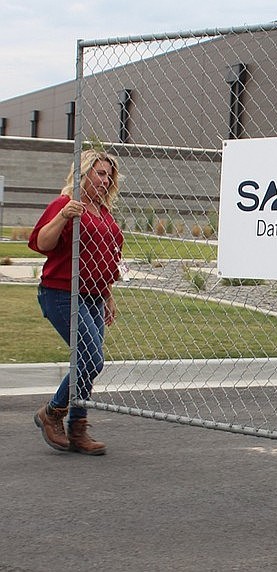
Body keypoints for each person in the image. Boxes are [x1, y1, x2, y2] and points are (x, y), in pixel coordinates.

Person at [30, 149, 124, 456]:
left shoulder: (104, 213)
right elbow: (42, 243)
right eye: (99, 172)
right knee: (91, 359)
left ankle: (77, 429)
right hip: (61, 293)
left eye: (109, 174)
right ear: (83, 173)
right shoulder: (66, 204)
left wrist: (108, 293)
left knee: (86, 360)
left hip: (94, 296)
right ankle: (54, 412)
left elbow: (102, 259)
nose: (105, 178)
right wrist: (62, 216)